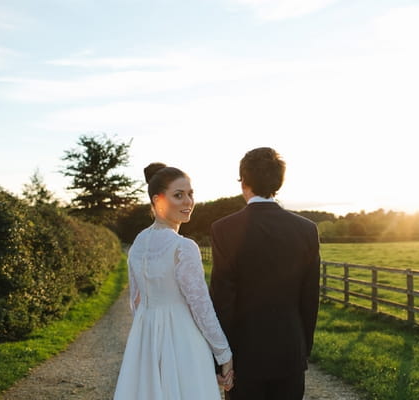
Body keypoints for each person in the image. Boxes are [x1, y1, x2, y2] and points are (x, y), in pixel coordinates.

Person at [114, 163, 234, 400]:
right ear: (158, 201)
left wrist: (149, 330)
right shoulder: (183, 247)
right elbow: (201, 307)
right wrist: (224, 354)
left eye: (190, 194)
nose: (188, 202)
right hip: (182, 339)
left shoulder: (138, 243)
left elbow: (135, 302)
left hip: (144, 338)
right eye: (178, 195)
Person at [209, 147, 321, 400]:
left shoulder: (224, 229)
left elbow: (222, 300)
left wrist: (220, 359)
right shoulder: (306, 230)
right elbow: (310, 297)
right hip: (290, 352)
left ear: (243, 182)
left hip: (243, 355)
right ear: (278, 183)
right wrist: (303, 349)